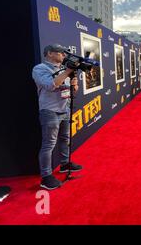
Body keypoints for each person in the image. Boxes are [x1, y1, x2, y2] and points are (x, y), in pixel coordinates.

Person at [32, 44, 83, 190]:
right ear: (49, 54)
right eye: (60, 53)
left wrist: (74, 85)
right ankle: (46, 176)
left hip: (64, 108)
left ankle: (64, 163)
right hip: (49, 110)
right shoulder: (40, 69)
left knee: (65, 138)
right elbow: (50, 85)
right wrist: (67, 72)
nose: (63, 55)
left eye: (64, 53)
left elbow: (72, 91)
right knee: (49, 144)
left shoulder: (63, 70)